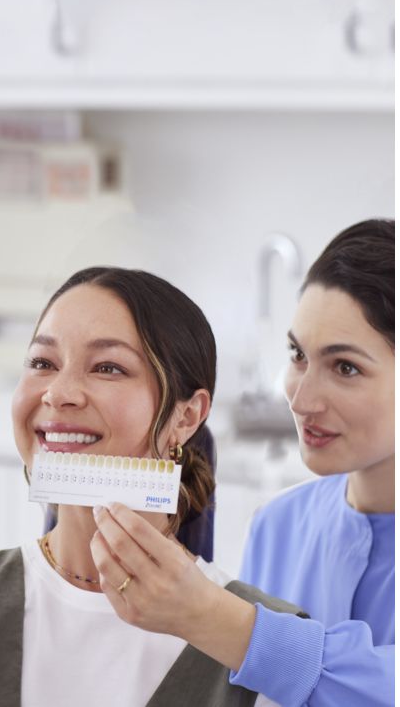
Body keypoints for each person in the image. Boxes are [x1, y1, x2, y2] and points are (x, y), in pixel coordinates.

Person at [0, 266, 302, 707]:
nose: (59, 393)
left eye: (108, 367)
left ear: (186, 417)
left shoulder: (268, 655)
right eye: (43, 363)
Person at [90, 218, 394, 707]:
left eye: (345, 367)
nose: (300, 398)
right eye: (297, 355)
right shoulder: (279, 527)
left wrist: (212, 616)